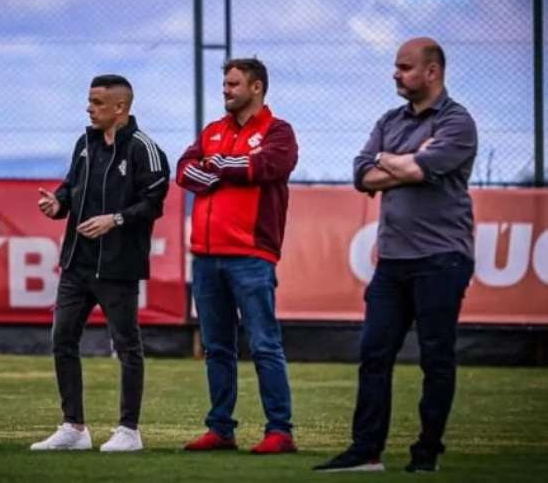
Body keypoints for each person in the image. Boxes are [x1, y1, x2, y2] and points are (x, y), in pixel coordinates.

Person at [313, 37, 477, 473]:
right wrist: (403, 162)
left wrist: (392, 163)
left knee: (436, 358)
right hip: (392, 261)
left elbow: (417, 169)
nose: (396, 74)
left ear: (432, 72)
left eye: (405, 67)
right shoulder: (390, 120)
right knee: (374, 353)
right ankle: (366, 452)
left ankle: (427, 453)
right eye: (396, 66)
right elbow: (361, 174)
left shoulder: (457, 122)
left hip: (442, 258)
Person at [31, 75, 170, 452]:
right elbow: (70, 187)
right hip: (76, 263)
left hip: (118, 267)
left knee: (127, 345)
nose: (89, 109)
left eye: (97, 103)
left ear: (120, 107)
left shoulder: (145, 149)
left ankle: (129, 431)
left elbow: (153, 204)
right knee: (62, 339)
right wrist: (58, 203)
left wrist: (116, 220)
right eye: (89, 101)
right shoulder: (85, 143)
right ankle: (74, 427)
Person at [177, 58, 299, 454]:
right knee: (216, 348)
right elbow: (184, 170)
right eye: (225, 84)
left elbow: (267, 166)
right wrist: (224, 169)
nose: (226, 90)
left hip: (251, 255)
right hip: (205, 256)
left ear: (256, 87)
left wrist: (216, 166)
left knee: (264, 345)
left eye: (233, 84)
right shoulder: (213, 130)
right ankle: (221, 428)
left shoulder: (278, 131)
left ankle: (279, 431)